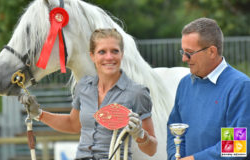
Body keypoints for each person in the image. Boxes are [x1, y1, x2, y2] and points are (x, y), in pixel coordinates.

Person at [19, 28, 157, 160]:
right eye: (102, 52)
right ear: (92, 55)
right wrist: (39, 114)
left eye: (114, 51)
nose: (109, 57)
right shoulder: (84, 86)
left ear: (122, 54)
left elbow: (151, 150)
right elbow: (73, 124)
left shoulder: (137, 93)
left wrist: (140, 135)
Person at [167, 18, 250, 160]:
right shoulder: (185, 84)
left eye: (189, 53)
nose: (184, 59)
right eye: (182, 52)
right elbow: (174, 130)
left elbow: (237, 145)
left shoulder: (240, 86)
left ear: (212, 51)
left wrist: (194, 159)